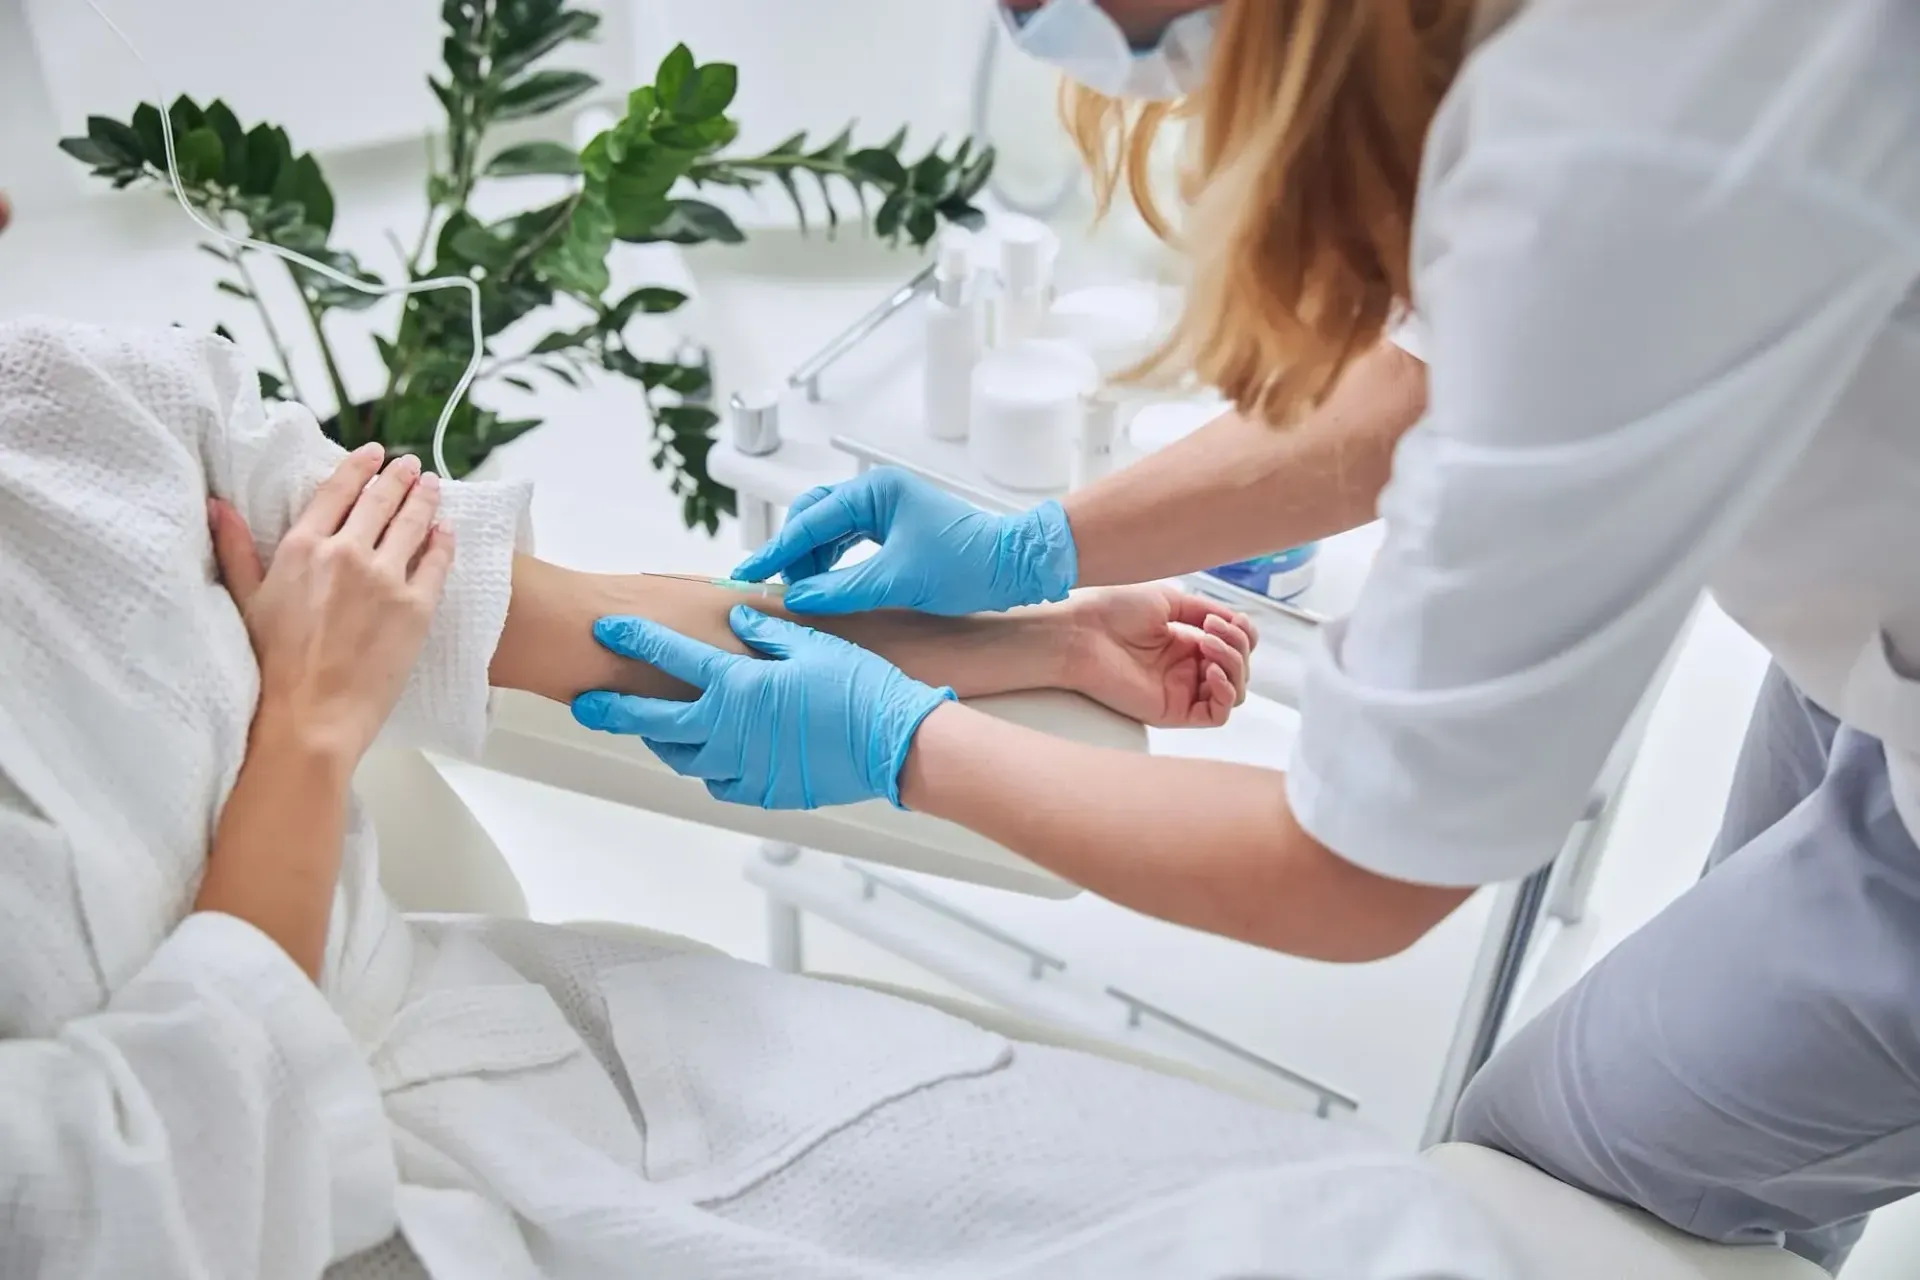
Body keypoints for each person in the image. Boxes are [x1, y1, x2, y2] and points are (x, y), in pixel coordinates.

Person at [570, 0, 1920, 1270]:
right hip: (1877, 636)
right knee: (1752, 1106)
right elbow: (1430, 383)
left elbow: (1363, 871)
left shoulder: (1627, 142)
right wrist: (1043, 550)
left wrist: (902, 742)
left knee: (1555, 1188)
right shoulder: (1562, 88)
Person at [0, 316, 1520, 1278]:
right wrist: (308, 734)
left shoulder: (78, 407)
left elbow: (557, 616)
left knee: (1349, 1229)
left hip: (539, 1062)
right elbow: (115, 1201)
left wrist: (1028, 619)